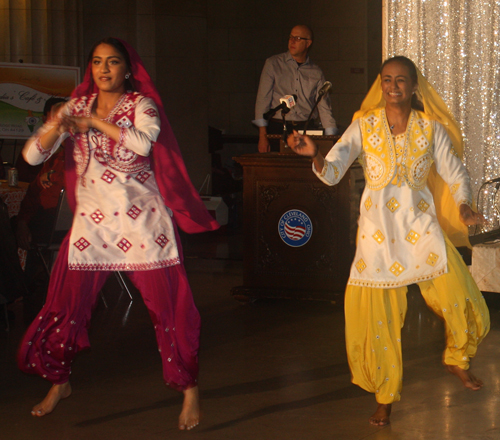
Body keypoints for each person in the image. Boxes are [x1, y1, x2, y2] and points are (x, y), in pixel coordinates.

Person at [17, 37, 219, 431]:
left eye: (112, 62)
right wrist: (57, 123)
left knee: (168, 309)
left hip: (141, 223)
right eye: (96, 62)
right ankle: (60, 382)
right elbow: (31, 157)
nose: (104, 69)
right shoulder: (75, 107)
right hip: (92, 227)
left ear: (128, 69)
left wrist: (92, 122)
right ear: (90, 68)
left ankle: (189, 388)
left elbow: (143, 145)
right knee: (65, 306)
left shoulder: (142, 106)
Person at [287, 56, 490, 426]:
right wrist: (315, 155)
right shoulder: (363, 127)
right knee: (377, 322)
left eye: (400, 80)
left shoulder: (430, 129)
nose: (393, 86)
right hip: (377, 237)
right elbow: (332, 172)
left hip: (421, 230)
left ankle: (457, 359)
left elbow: (455, 171)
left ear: (414, 86)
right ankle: (385, 395)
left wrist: (463, 205)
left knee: (460, 297)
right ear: (380, 85)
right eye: (386, 80)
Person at [253, 25, 339, 153]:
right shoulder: (273, 64)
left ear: (308, 43)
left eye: (297, 38)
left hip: (305, 127)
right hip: (278, 127)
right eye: (291, 37)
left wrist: (331, 138)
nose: (292, 41)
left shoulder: (316, 71)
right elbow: (262, 100)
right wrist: (262, 136)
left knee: (303, 170)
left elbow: (324, 107)